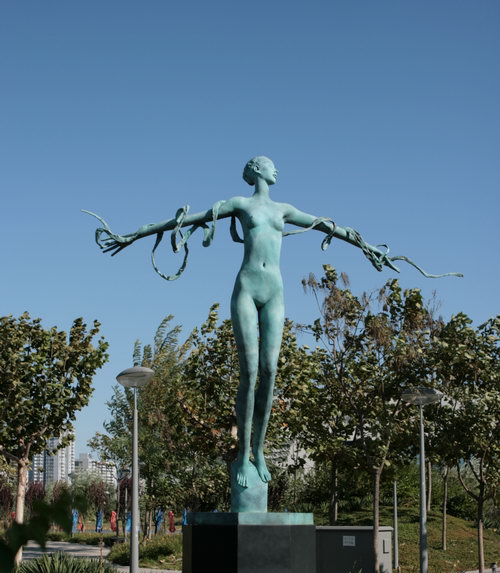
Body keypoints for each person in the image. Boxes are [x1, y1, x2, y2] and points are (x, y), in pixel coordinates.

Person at [87, 156, 459, 490]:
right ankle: (242, 455)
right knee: (249, 371)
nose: (276, 169)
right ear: (256, 171)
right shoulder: (240, 204)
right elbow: (191, 218)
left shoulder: (284, 210)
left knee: (270, 370)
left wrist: (368, 246)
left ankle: (260, 452)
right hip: (247, 288)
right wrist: (134, 234)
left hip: (275, 291)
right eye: (270, 165)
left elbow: (328, 226)